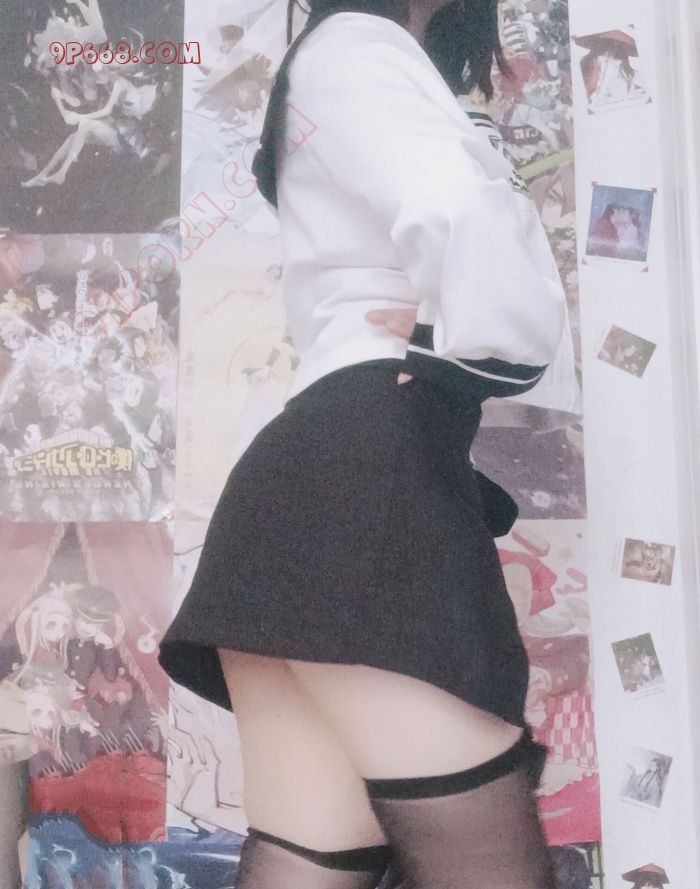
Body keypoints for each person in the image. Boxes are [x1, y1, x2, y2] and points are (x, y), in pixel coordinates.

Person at [158, 1, 579, 887]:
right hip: (365, 474)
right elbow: (460, 205)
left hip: (310, 484)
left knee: (309, 860)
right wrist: (467, 344)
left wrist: (442, 338)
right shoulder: (359, 44)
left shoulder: (344, 60)